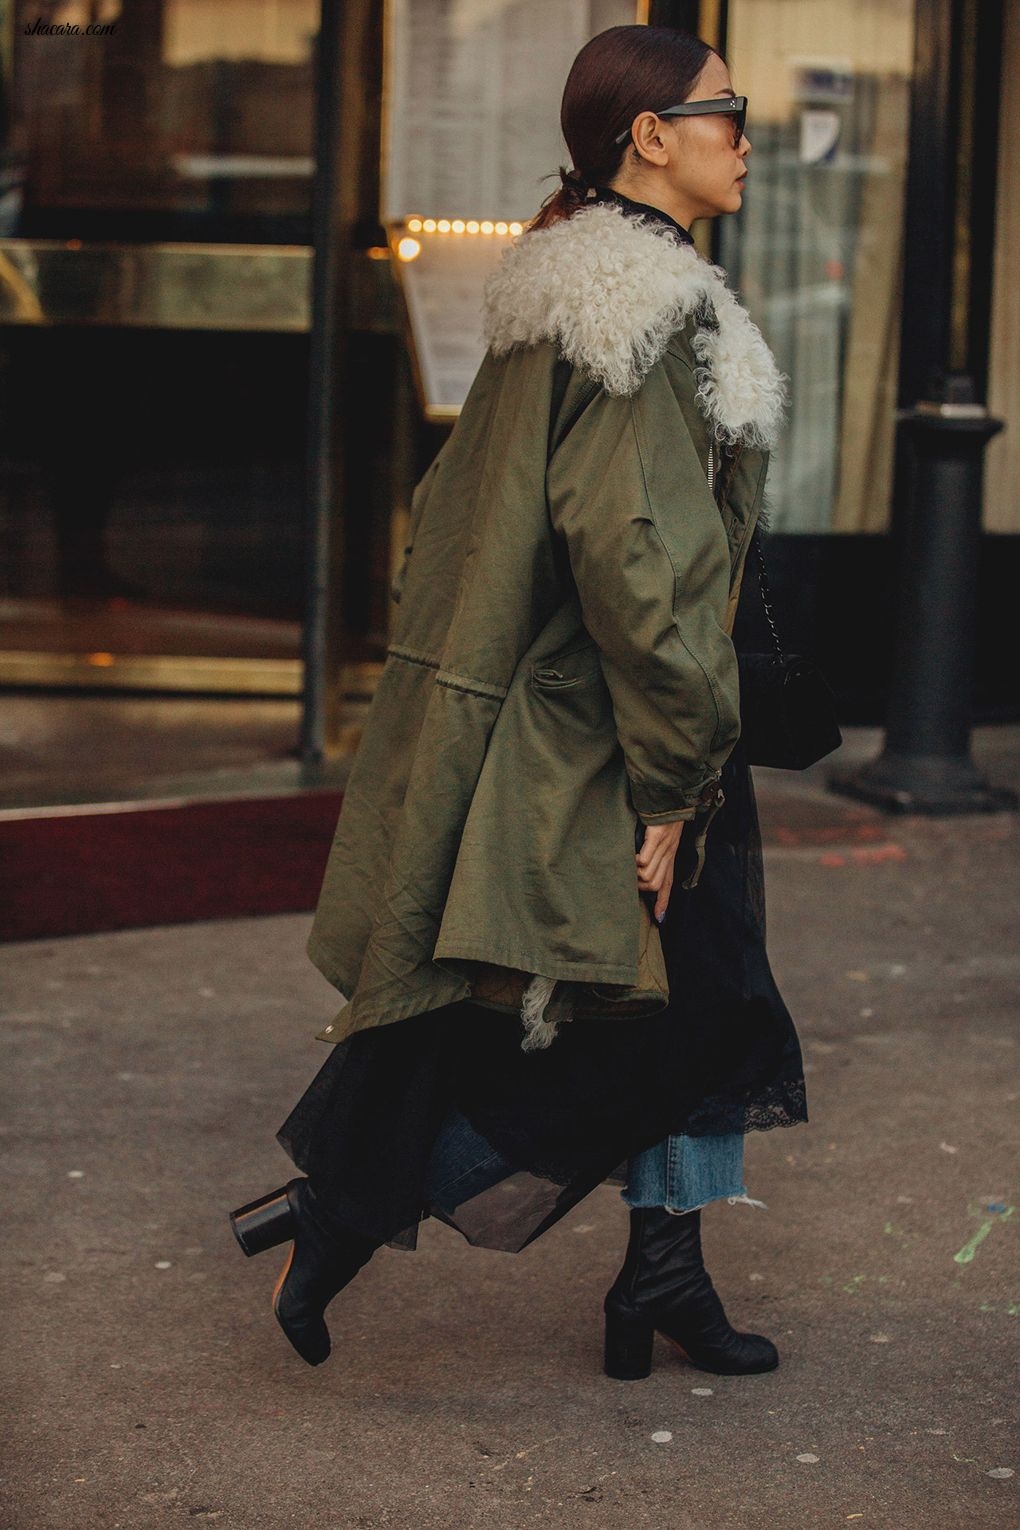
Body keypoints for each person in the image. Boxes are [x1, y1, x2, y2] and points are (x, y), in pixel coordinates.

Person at [229, 24, 807, 1381]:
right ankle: (348, 1202)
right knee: (660, 1012)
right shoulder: (644, 314)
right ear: (649, 137)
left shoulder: (582, 287)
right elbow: (634, 557)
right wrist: (677, 776)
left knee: (665, 997)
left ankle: (657, 1265)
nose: (746, 132)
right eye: (726, 110)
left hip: (597, 714)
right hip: (622, 726)